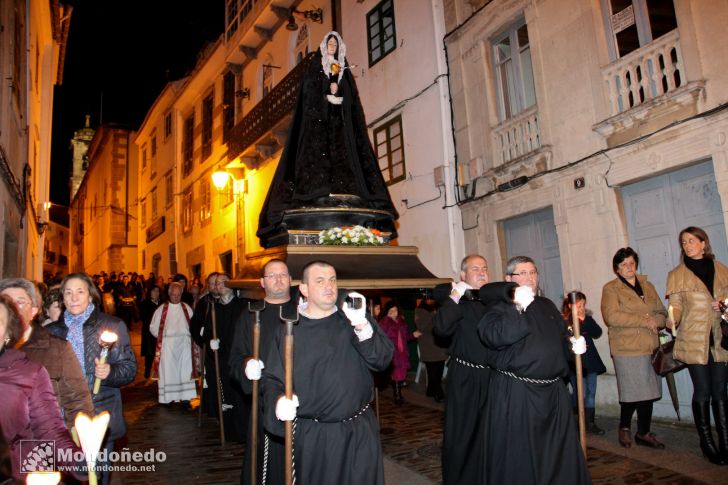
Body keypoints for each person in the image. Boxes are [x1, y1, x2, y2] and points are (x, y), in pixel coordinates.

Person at [256, 31, 398, 248]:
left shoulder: (343, 68)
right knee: (318, 155)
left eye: (335, 43)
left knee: (344, 153)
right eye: (329, 43)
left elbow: (352, 101)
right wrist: (324, 95)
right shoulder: (315, 67)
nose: (332, 46)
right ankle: (317, 191)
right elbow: (308, 95)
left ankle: (346, 191)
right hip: (317, 125)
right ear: (325, 46)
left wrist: (339, 93)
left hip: (340, 123)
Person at [263, 261, 393, 485]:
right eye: (320, 281)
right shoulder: (288, 329)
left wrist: (362, 324)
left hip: (359, 430)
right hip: (315, 435)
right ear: (304, 289)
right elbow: (273, 378)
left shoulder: (352, 317)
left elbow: (381, 360)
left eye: (332, 280)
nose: (329, 286)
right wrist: (278, 400)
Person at [478, 256, 591, 484]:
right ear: (509, 279)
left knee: (557, 451)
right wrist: (518, 306)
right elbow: (495, 337)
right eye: (523, 273)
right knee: (521, 455)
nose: (530, 277)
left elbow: (561, 338)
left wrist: (573, 346)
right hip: (518, 392)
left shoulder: (547, 304)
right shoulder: (499, 307)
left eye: (533, 272)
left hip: (553, 392)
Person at [47, 272, 136, 485]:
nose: (74, 297)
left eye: (80, 291)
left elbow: (129, 369)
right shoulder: (51, 332)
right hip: (64, 418)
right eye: (68, 293)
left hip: (99, 415)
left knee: (98, 477)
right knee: (70, 477)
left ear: (90, 295)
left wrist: (109, 373)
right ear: (63, 298)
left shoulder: (112, 325)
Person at [0, 295, 85, 482]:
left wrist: (76, 460)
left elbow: (49, 429)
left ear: (7, 334)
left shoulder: (29, 373)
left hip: (16, 476)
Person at [666, 227, 728, 464]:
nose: (687, 245)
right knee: (703, 391)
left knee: (720, 393)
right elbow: (676, 304)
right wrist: (673, 318)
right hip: (693, 339)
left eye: (692, 240)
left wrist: (723, 305)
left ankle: (725, 441)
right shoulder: (677, 274)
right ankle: (707, 443)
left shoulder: (722, 269)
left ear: (704, 243)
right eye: (684, 242)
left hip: (719, 339)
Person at [230, 259, 294, 485]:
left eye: (283, 275)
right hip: (264, 401)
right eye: (272, 275)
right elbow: (235, 359)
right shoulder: (250, 315)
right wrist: (247, 366)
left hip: (300, 401)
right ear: (262, 282)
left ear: (290, 279)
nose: (278, 280)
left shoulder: (303, 312)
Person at [0, 278, 94, 430]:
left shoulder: (57, 348)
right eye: (6, 302)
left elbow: (78, 402)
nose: (13, 308)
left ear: (34, 311)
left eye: (20, 301)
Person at [432, 254, 490, 485]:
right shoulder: (456, 301)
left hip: (492, 377)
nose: (482, 272)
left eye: (485, 268)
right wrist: (455, 295)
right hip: (465, 377)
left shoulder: (493, 301)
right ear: (464, 276)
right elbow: (442, 328)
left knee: (490, 434)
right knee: (463, 435)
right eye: (475, 268)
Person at [601, 247, 667, 450]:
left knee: (648, 390)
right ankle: (624, 427)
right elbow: (611, 317)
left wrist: (657, 320)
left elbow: (661, 312)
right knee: (632, 392)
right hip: (627, 348)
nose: (629, 267)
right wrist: (644, 320)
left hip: (649, 346)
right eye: (624, 264)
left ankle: (643, 432)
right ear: (617, 269)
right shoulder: (611, 288)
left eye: (631, 263)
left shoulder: (647, 285)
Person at [562, 291, 607, 435]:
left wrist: (585, 320)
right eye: (578, 305)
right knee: (579, 391)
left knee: (591, 392)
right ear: (570, 306)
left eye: (583, 305)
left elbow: (597, 332)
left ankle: (590, 422)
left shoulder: (587, 318)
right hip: (574, 362)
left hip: (590, 361)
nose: (581, 308)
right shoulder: (565, 321)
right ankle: (576, 419)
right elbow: (566, 338)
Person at [150, 282, 198, 405]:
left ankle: (186, 396)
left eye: (178, 295)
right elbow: (153, 328)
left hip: (184, 346)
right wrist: (165, 335)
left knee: (185, 371)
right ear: (169, 294)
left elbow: (194, 327)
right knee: (169, 371)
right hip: (168, 346)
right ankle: (169, 397)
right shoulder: (162, 310)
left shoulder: (186, 308)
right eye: (173, 294)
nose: (176, 297)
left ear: (181, 294)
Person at [378, 301, 421, 404]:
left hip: (402, 353)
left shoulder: (402, 322)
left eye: (395, 310)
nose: (393, 312)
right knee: (396, 374)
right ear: (387, 312)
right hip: (392, 352)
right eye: (391, 310)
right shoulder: (384, 323)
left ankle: (398, 393)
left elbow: (406, 336)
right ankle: (397, 396)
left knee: (400, 374)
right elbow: (381, 338)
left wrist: (413, 335)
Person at [415, 297, 447, 402]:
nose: (431, 301)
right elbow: (424, 327)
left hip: (439, 345)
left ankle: (431, 391)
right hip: (428, 345)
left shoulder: (438, 309)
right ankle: (438, 393)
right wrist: (435, 316)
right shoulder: (420, 311)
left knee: (439, 370)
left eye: (432, 299)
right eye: (428, 299)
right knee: (433, 371)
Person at [139, 285, 162, 380]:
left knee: (160, 351)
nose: (156, 293)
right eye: (154, 291)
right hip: (149, 332)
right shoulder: (145, 303)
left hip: (160, 331)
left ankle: (159, 370)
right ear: (150, 293)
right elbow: (142, 317)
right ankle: (148, 368)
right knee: (150, 352)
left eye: (157, 291)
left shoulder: (162, 304)